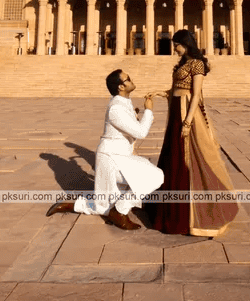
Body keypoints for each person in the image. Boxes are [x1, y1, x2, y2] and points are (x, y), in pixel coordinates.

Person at [46, 69, 163, 230]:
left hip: (122, 157)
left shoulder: (124, 103)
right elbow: (141, 132)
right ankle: (120, 211)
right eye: (127, 79)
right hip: (112, 159)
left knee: (103, 206)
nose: (131, 80)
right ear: (121, 87)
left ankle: (72, 204)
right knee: (155, 176)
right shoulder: (116, 109)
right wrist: (148, 110)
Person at [148, 29, 238, 236]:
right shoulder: (181, 64)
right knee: (173, 155)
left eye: (176, 44)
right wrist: (161, 93)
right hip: (175, 109)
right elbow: (176, 88)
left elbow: (196, 94)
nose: (174, 48)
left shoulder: (197, 64)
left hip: (187, 110)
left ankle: (193, 214)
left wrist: (188, 121)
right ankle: (169, 210)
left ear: (185, 43)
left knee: (189, 156)